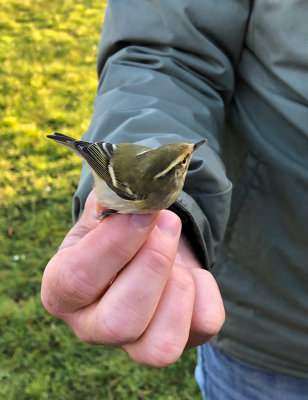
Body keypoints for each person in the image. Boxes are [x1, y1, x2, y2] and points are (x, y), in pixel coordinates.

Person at [41, 1, 308, 399]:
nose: (190, 159)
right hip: (267, 341)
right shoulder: (150, 189)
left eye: (187, 159)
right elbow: (166, 54)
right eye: (186, 159)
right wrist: (180, 217)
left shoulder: (159, 186)